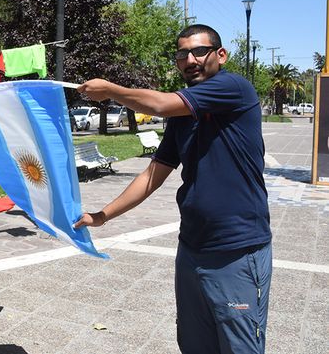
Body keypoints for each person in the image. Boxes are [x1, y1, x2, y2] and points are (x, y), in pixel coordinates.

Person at [74, 24, 272, 354]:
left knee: (240, 347)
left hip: (237, 251)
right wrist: (102, 216)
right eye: (182, 54)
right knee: (194, 345)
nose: (190, 59)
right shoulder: (183, 115)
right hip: (192, 248)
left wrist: (110, 90)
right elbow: (153, 174)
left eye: (199, 51)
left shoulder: (234, 87)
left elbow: (162, 104)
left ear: (220, 55)